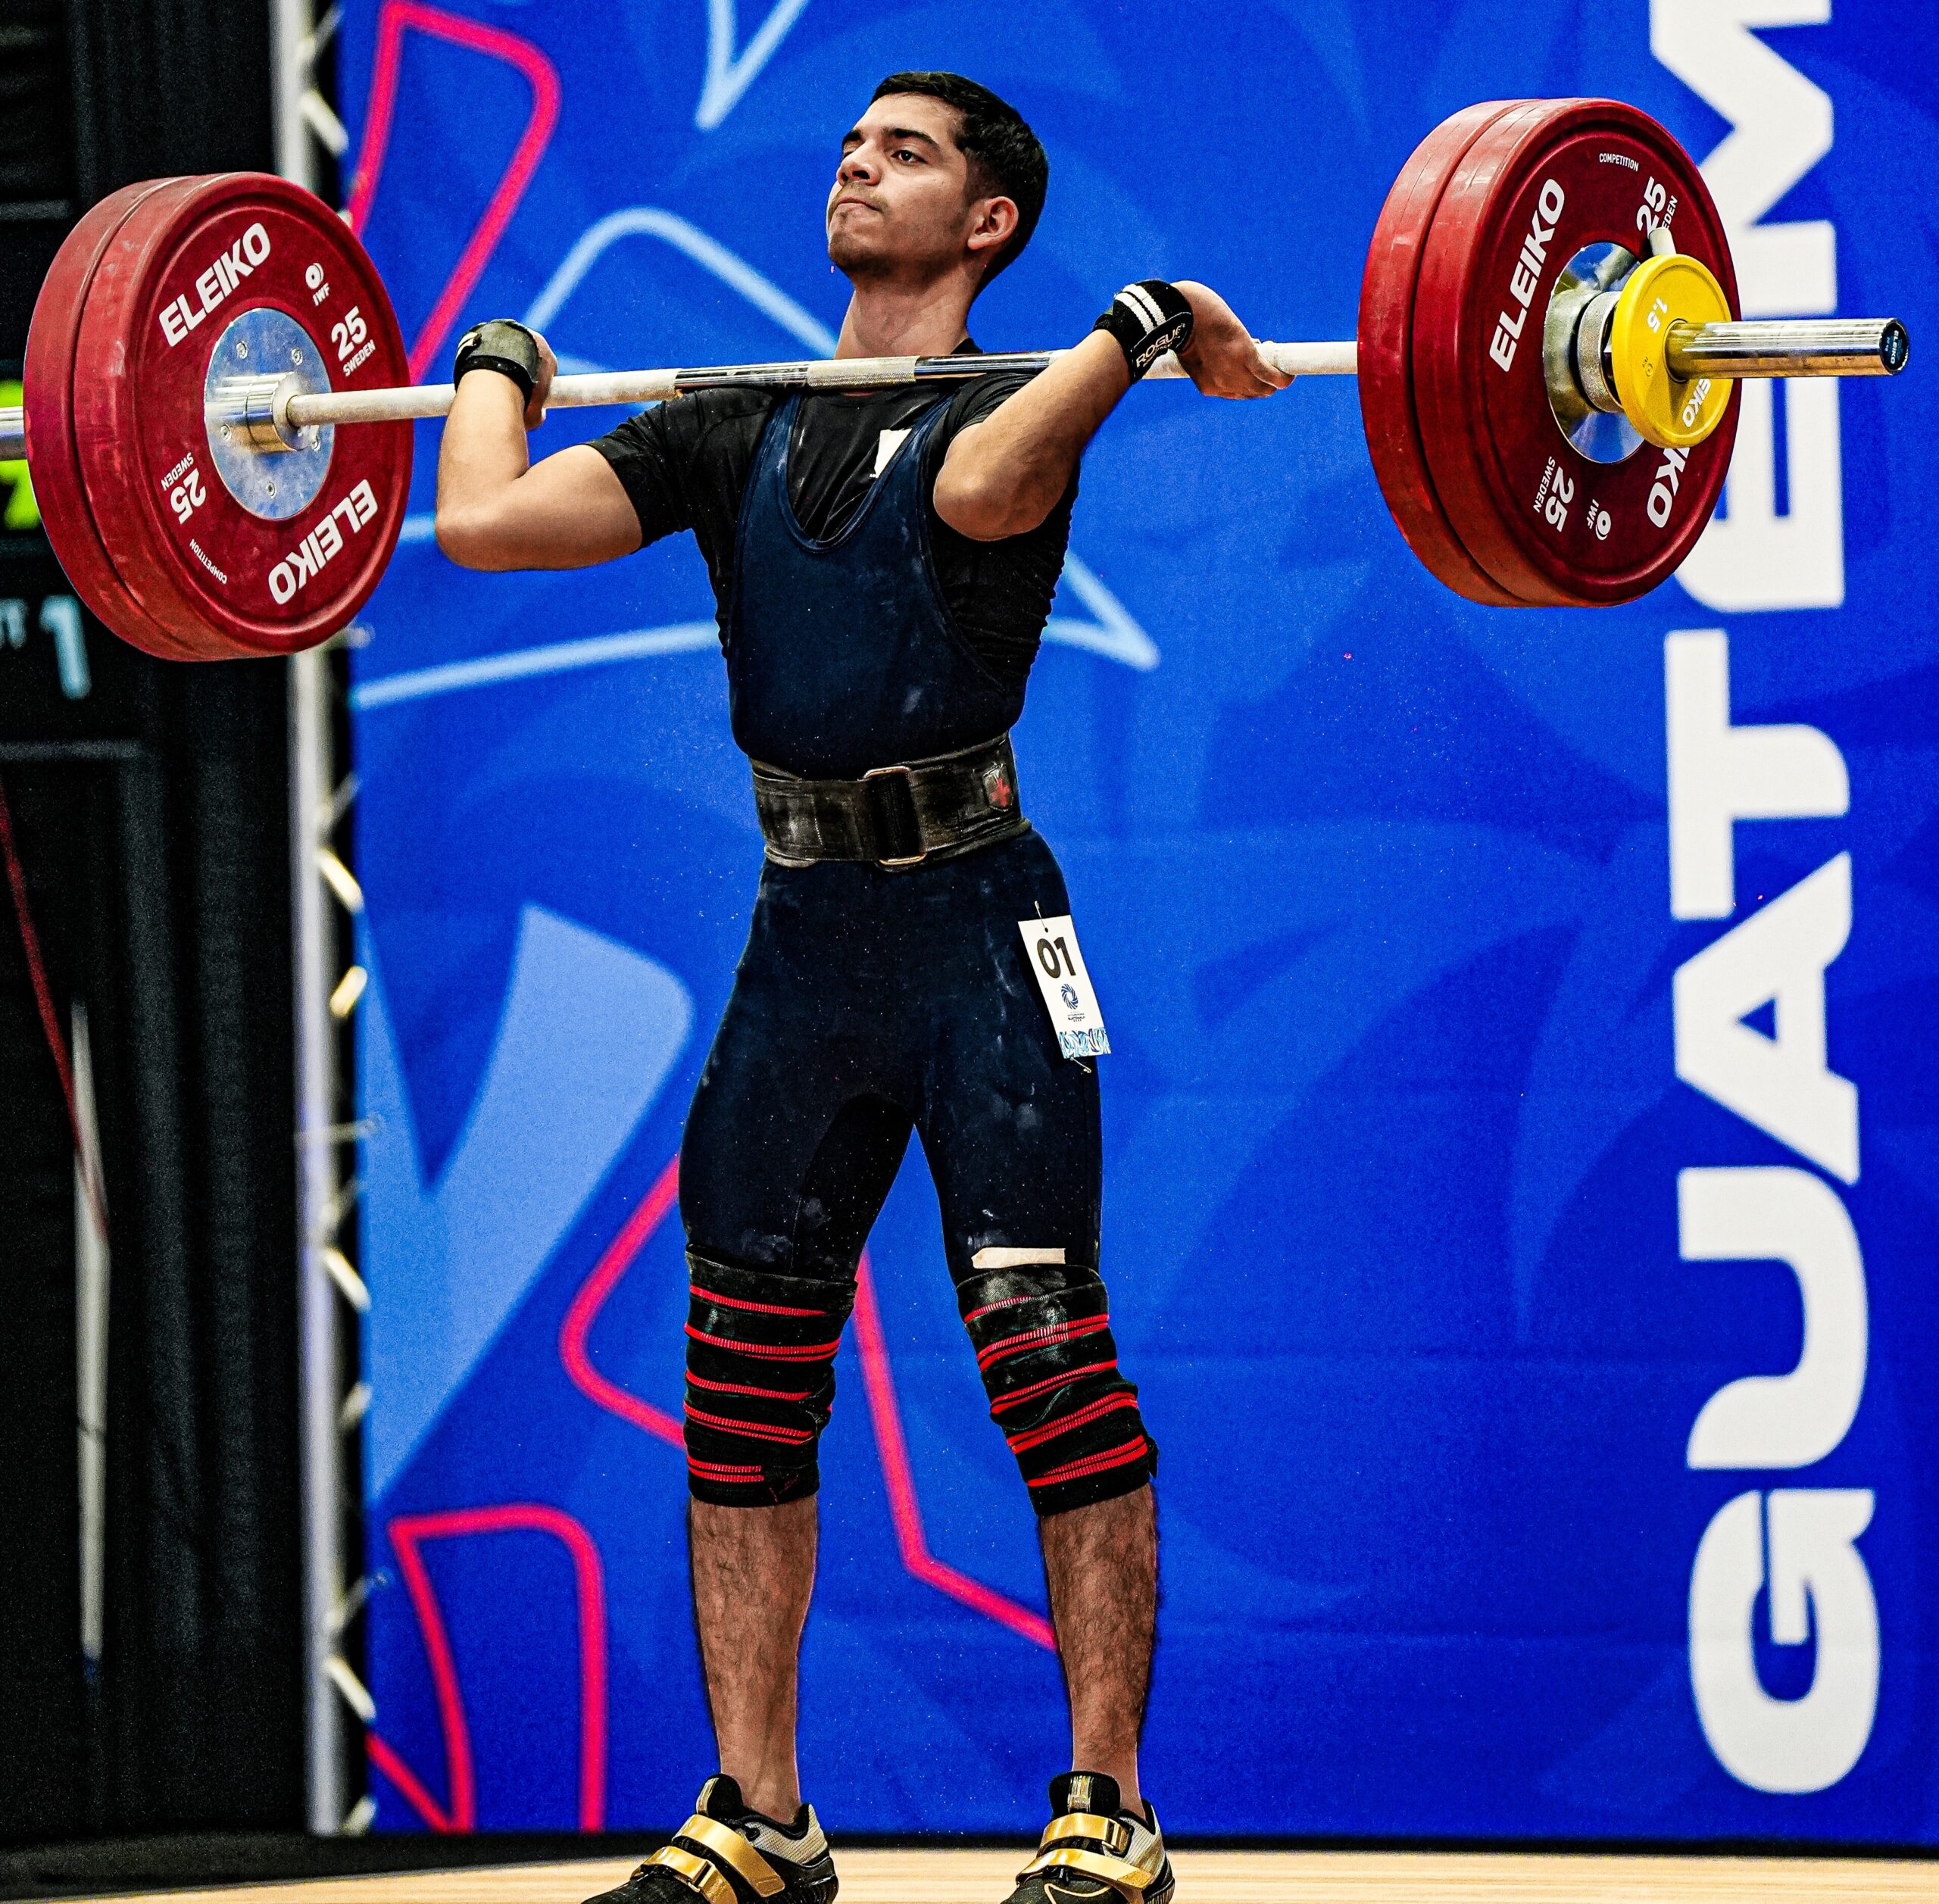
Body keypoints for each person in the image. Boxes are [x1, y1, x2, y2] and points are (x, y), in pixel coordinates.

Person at [435, 70, 1288, 1904]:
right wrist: (498, 356)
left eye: (903, 152)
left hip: (981, 931)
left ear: (987, 223)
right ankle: (759, 1815)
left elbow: (979, 488)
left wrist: (1134, 328)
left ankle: (1109, 1812)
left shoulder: (1008, 412)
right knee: (741, 1380)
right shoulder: (730, 423)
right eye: (850, 142)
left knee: (1045, 1359)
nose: (854, 161)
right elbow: (482, 526)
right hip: (801, 938)